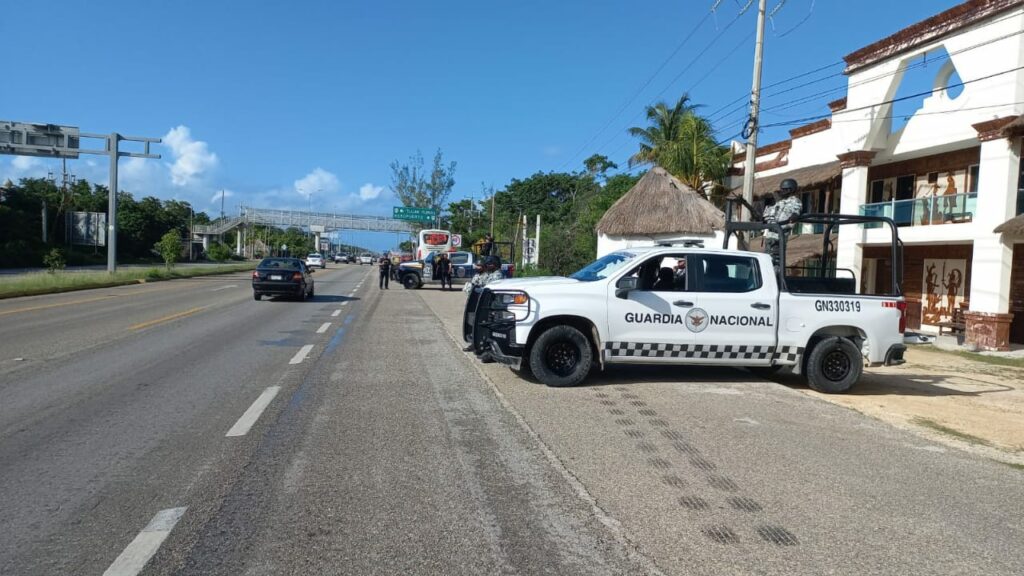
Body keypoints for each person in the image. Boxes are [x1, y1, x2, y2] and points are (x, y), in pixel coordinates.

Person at [763, 178, 802, 269]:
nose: (781, 191)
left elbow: (795, 212)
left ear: (790, 190)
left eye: (784, 189)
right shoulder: (779, 203)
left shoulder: (795, 201)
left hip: (779, 236)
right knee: (766, 262)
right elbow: (767, 216)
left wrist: (794, 215)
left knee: (775, 263)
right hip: (770, 235)